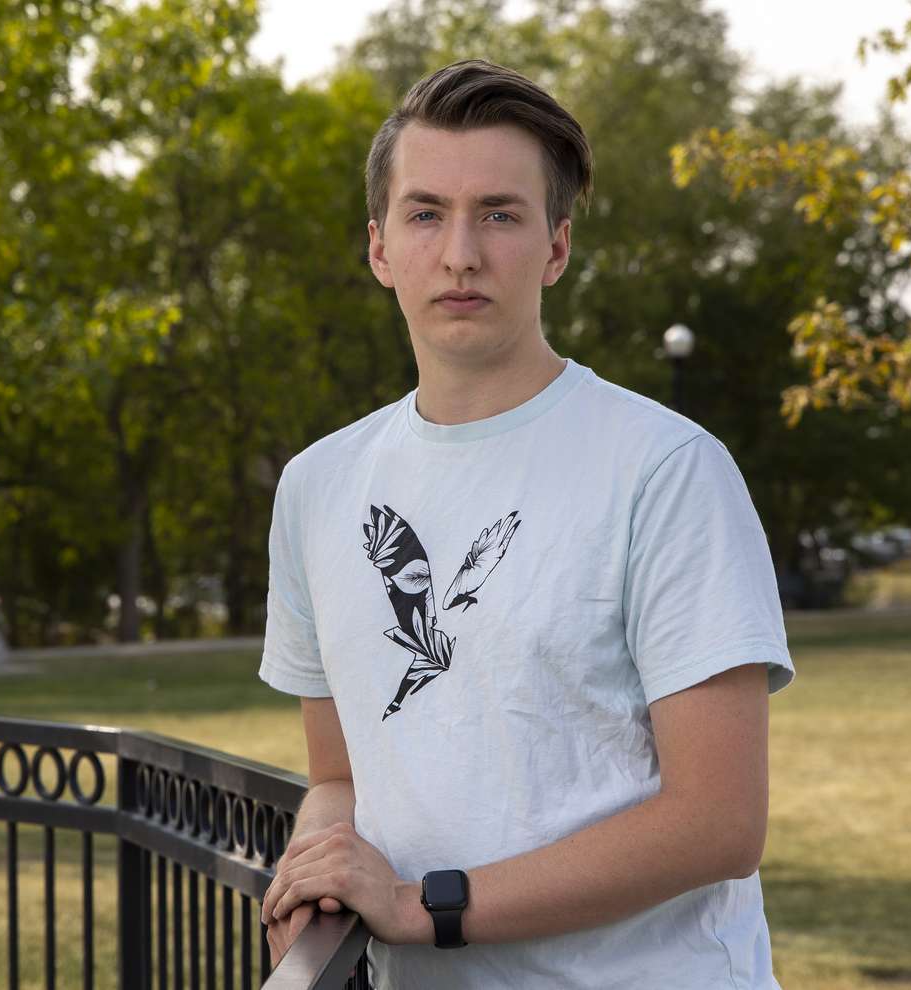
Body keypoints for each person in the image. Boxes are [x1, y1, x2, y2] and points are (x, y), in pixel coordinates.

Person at [257, 58, 795, 989]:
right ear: (381, 248)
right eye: (427, 214)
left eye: (500, 215)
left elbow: (719, 821)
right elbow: (340, 778)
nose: (461, 253)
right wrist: (316, 877)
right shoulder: (317, 487)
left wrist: (430, 908)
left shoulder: (666, 469)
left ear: (555, 248)